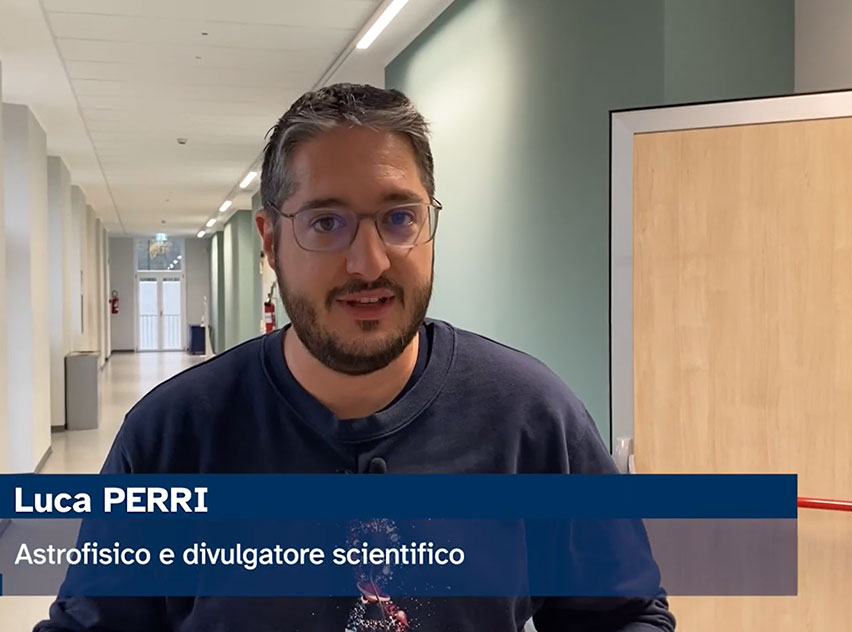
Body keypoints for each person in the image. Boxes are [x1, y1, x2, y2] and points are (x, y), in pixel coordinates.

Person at [35, 84, 675, 632]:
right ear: (271, 241)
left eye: (399, 218)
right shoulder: (174, 437)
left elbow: (626, 614)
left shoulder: (529, 420)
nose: (369, 263)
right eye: (326, 223)